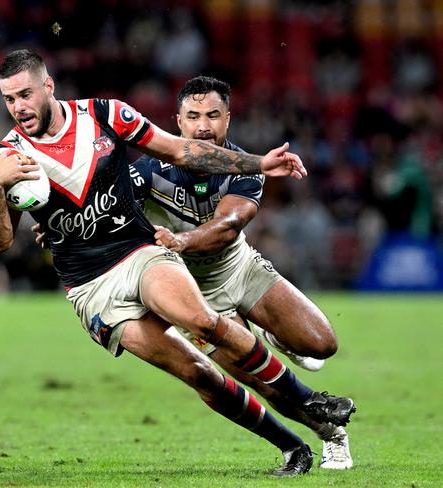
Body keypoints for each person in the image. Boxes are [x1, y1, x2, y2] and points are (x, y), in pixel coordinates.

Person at [0, 48, 356, 477]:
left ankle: (306, 398)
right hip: (90, 287)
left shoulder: (106, 116)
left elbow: (181, 152)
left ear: (48, 85)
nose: (19, 107)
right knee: (197, 372)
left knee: (204, 321)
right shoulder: (6, 159)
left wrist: (259, 163)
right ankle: (292, 447)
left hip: (140, 254)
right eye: (9, 99)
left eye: (25, 94)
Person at [128, 76, 353, 469]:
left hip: (240, 267)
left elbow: (228, 225)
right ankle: (332, 434)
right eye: (193, 116)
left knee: (322, 344)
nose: (203, 126)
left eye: (213, 115)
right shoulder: (146, 172)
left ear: (228, 119)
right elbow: (106, 210)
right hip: (193, 297)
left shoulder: (246, 167)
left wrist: (181, 241)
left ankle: (268, 330)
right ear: (176, 122)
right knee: (263, 380)